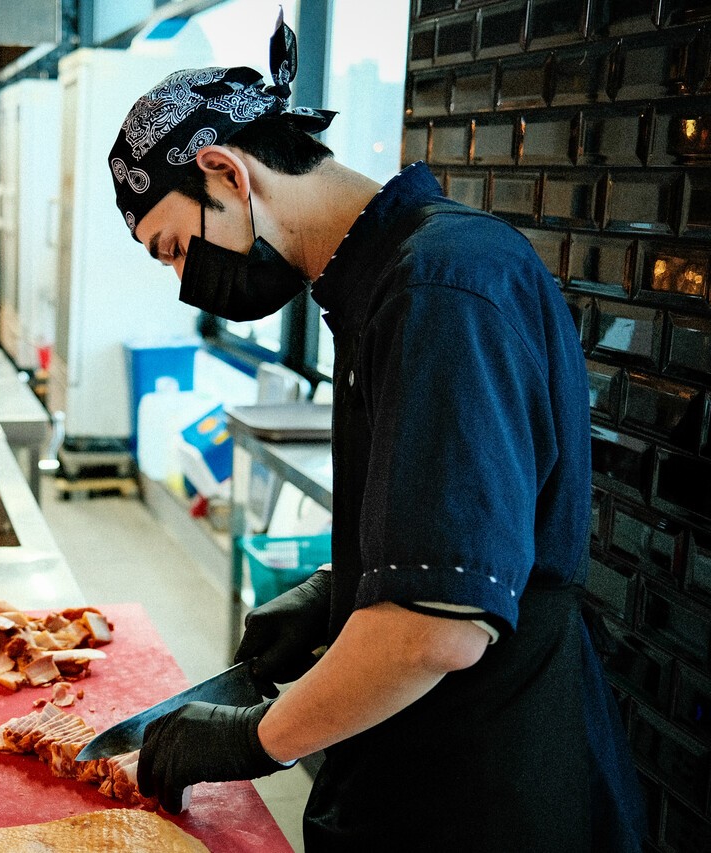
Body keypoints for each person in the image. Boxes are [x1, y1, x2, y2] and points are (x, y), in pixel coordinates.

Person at [110, 13, 645, 852]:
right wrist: (341, 589)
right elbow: (468, 520)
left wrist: (250, 737)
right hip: (420, 771)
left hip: (488, 789)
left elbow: (437, 627)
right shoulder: (381, 286)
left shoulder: (440, 288)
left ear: (225, 171)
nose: (188, 281)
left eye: (176, 246)